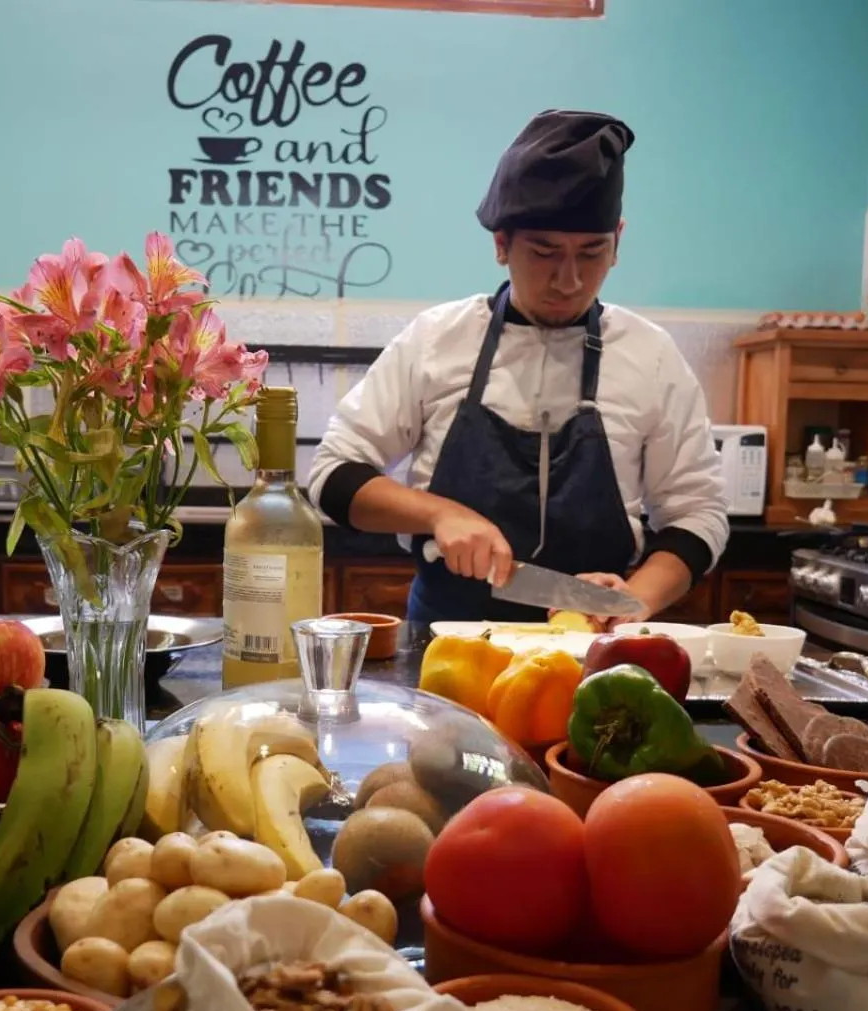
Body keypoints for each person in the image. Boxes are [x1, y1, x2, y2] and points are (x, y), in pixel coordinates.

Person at [308, 109, 729, 625]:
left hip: (590, 646)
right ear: (501, 243)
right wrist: (440, 513)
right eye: (545, 252)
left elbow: (697, 513)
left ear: (618, 240)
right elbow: (332, 475)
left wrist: (634, 601)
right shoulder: (437, 338)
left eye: (592, 253)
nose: (569, 280)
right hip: (448, 645)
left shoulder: (651, 355)